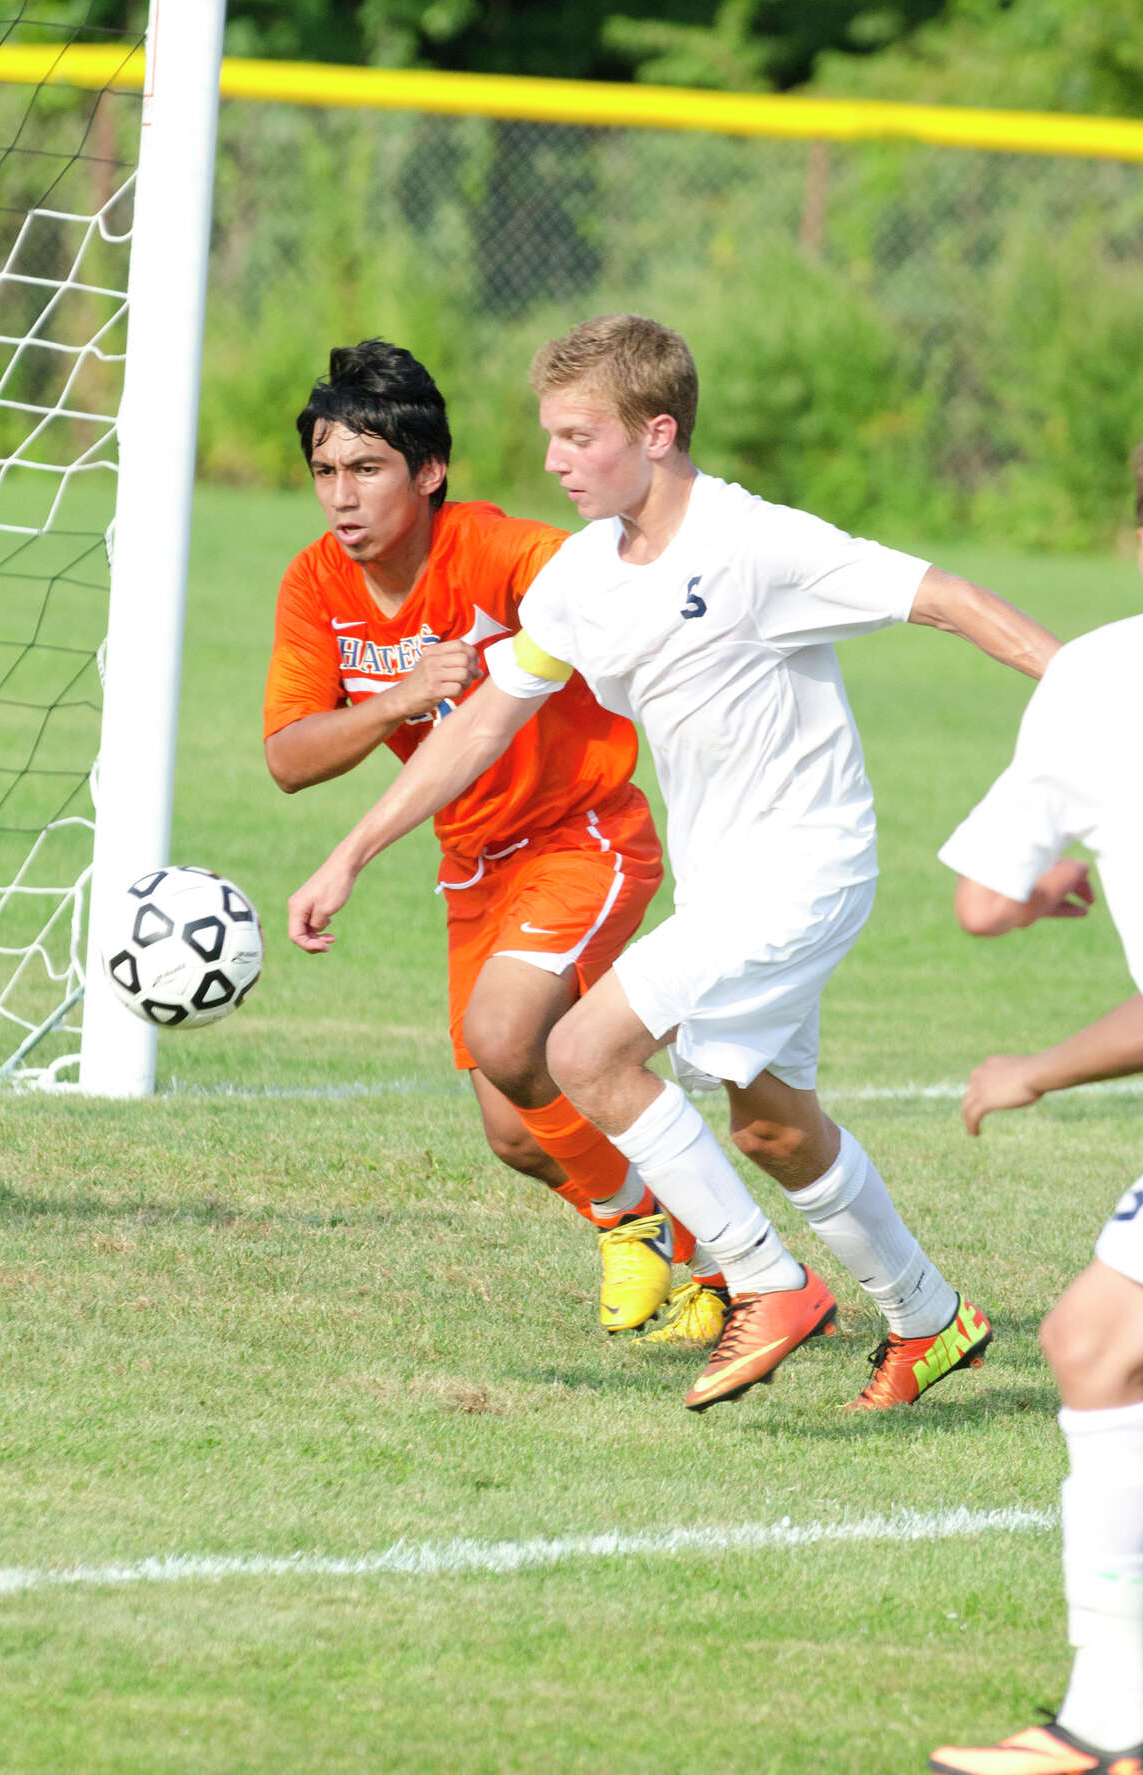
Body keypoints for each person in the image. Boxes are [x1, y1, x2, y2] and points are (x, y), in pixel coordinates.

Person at [287, 314, 1059, 1413]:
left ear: (656, 432)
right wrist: (352, 849)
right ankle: (932, 1317)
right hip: (726, 882)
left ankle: (763, 1281)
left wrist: (1092, 694)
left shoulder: (760, 545)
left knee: (585, 1047)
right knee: (772, 1125)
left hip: (806, 868)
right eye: (547, 436)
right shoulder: (583, 577)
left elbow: (946, 597)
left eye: (577, 436)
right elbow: (482, 723)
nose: (554, 461)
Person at [264, 338, 726, 1342]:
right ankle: (702, 1253)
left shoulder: (506, 552)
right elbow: (291, 756)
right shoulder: (315, 585)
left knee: (509, 1036)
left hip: (584, 834)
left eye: (368, 468)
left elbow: (625, 574)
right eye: (326, 472)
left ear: (428, 473)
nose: (342, 496)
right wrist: (399, 696)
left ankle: (638, 1218)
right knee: (516, 1132)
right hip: (472, 862)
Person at [929, 463, 1143, 1774]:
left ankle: (1109, 1720)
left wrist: (1031, 1068)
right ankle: (1110, 1720)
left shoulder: (1096, 682)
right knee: (1098, 1341)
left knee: (1100, 1344)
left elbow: (981, 901)